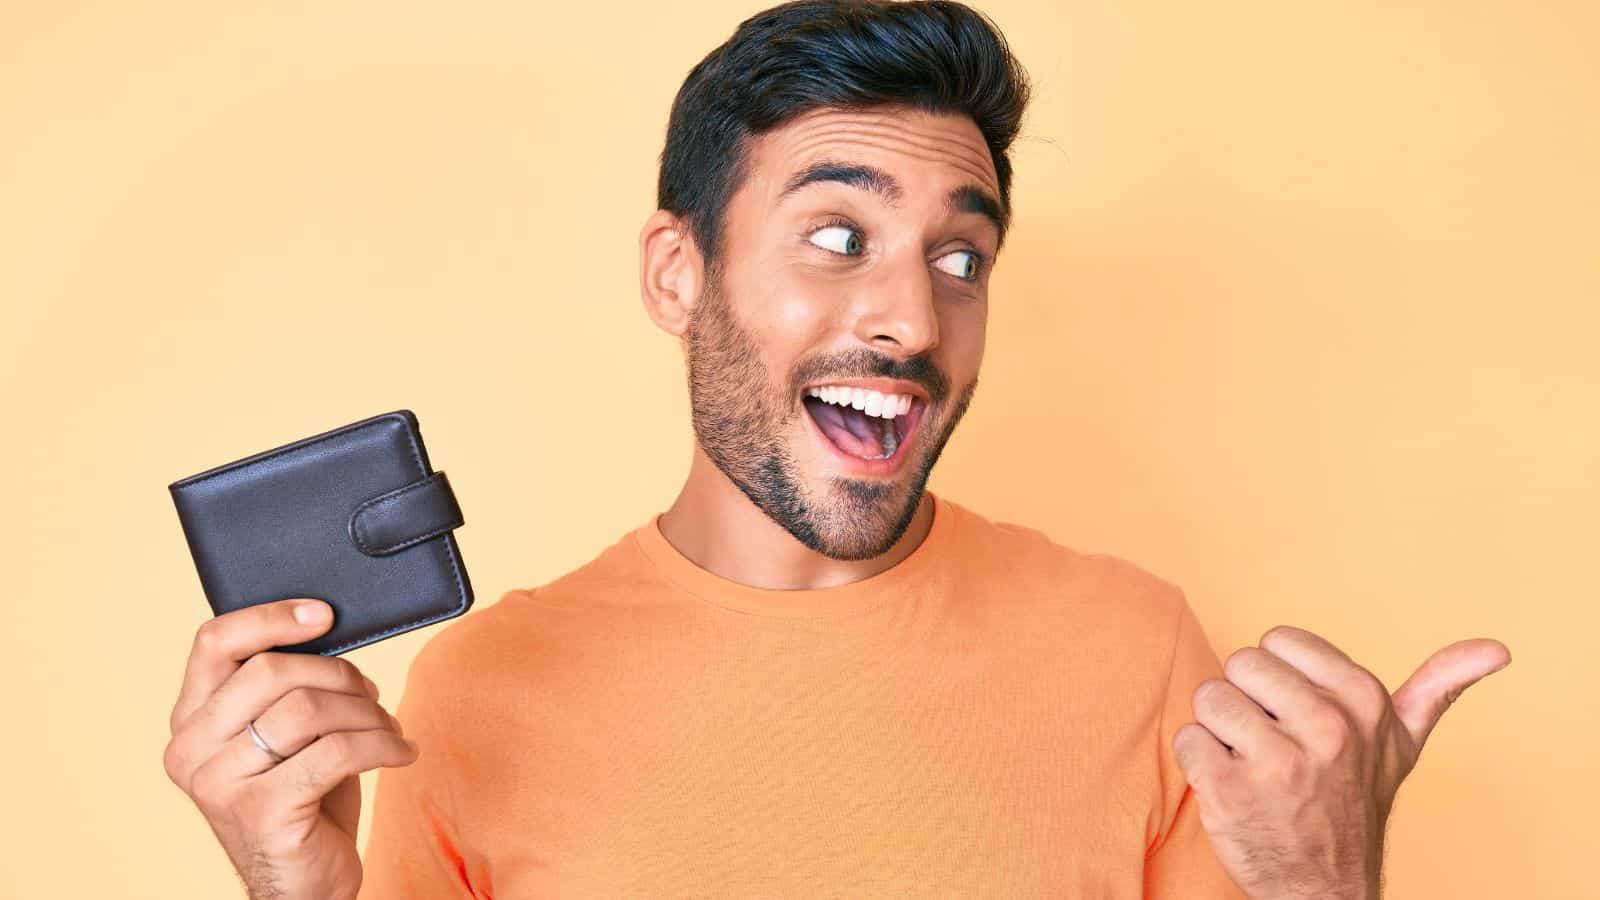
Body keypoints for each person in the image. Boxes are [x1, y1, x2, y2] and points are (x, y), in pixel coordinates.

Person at [162, 2, 1511, 898]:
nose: (915, 316)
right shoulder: (471, 698)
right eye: (837, 235)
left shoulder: (1140, 647)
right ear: (677, 273)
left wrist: (1329, 891)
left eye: (962, 254)